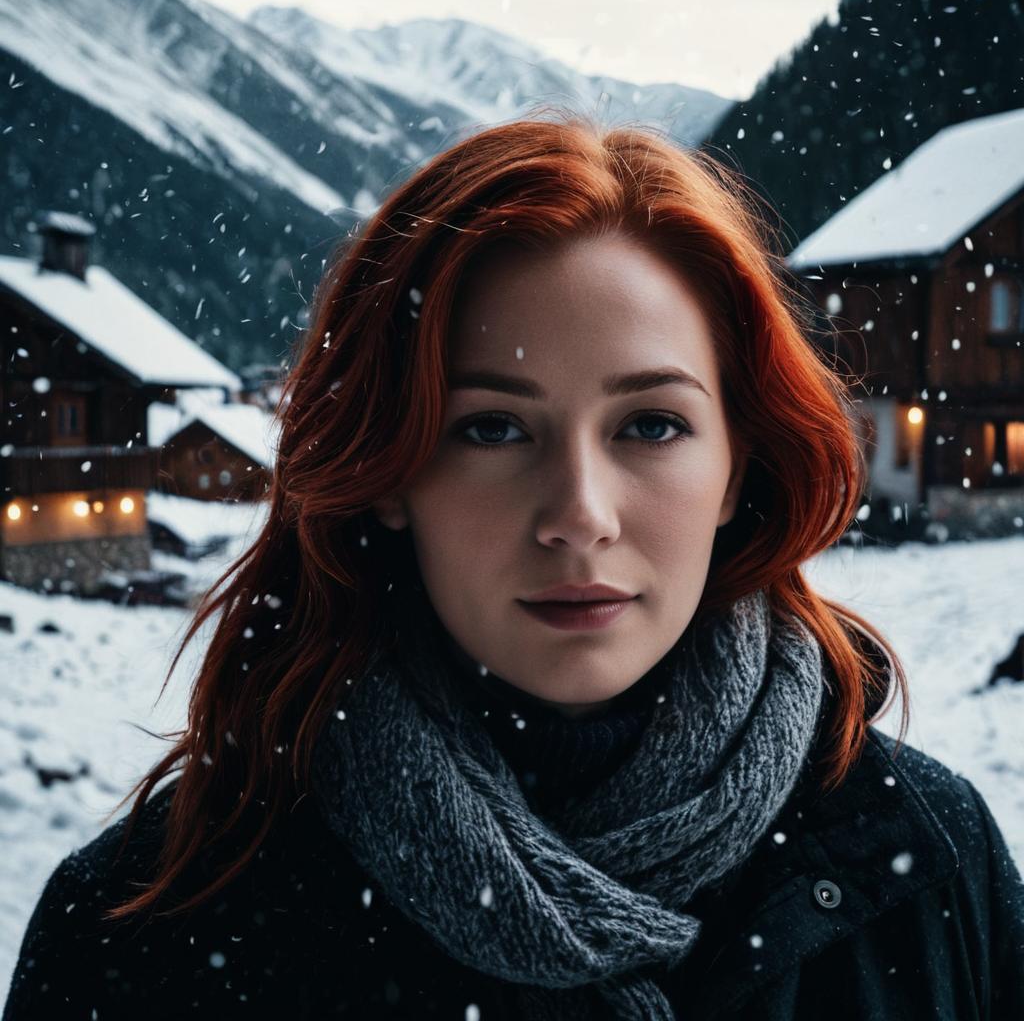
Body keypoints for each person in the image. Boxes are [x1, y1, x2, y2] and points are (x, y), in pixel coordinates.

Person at [4, 112, 1023, 1021]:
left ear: (735, 467)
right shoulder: (147, 925)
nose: (579, 516)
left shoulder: (927, 858)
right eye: (491, 428)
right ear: (387, 471)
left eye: (652, 424)